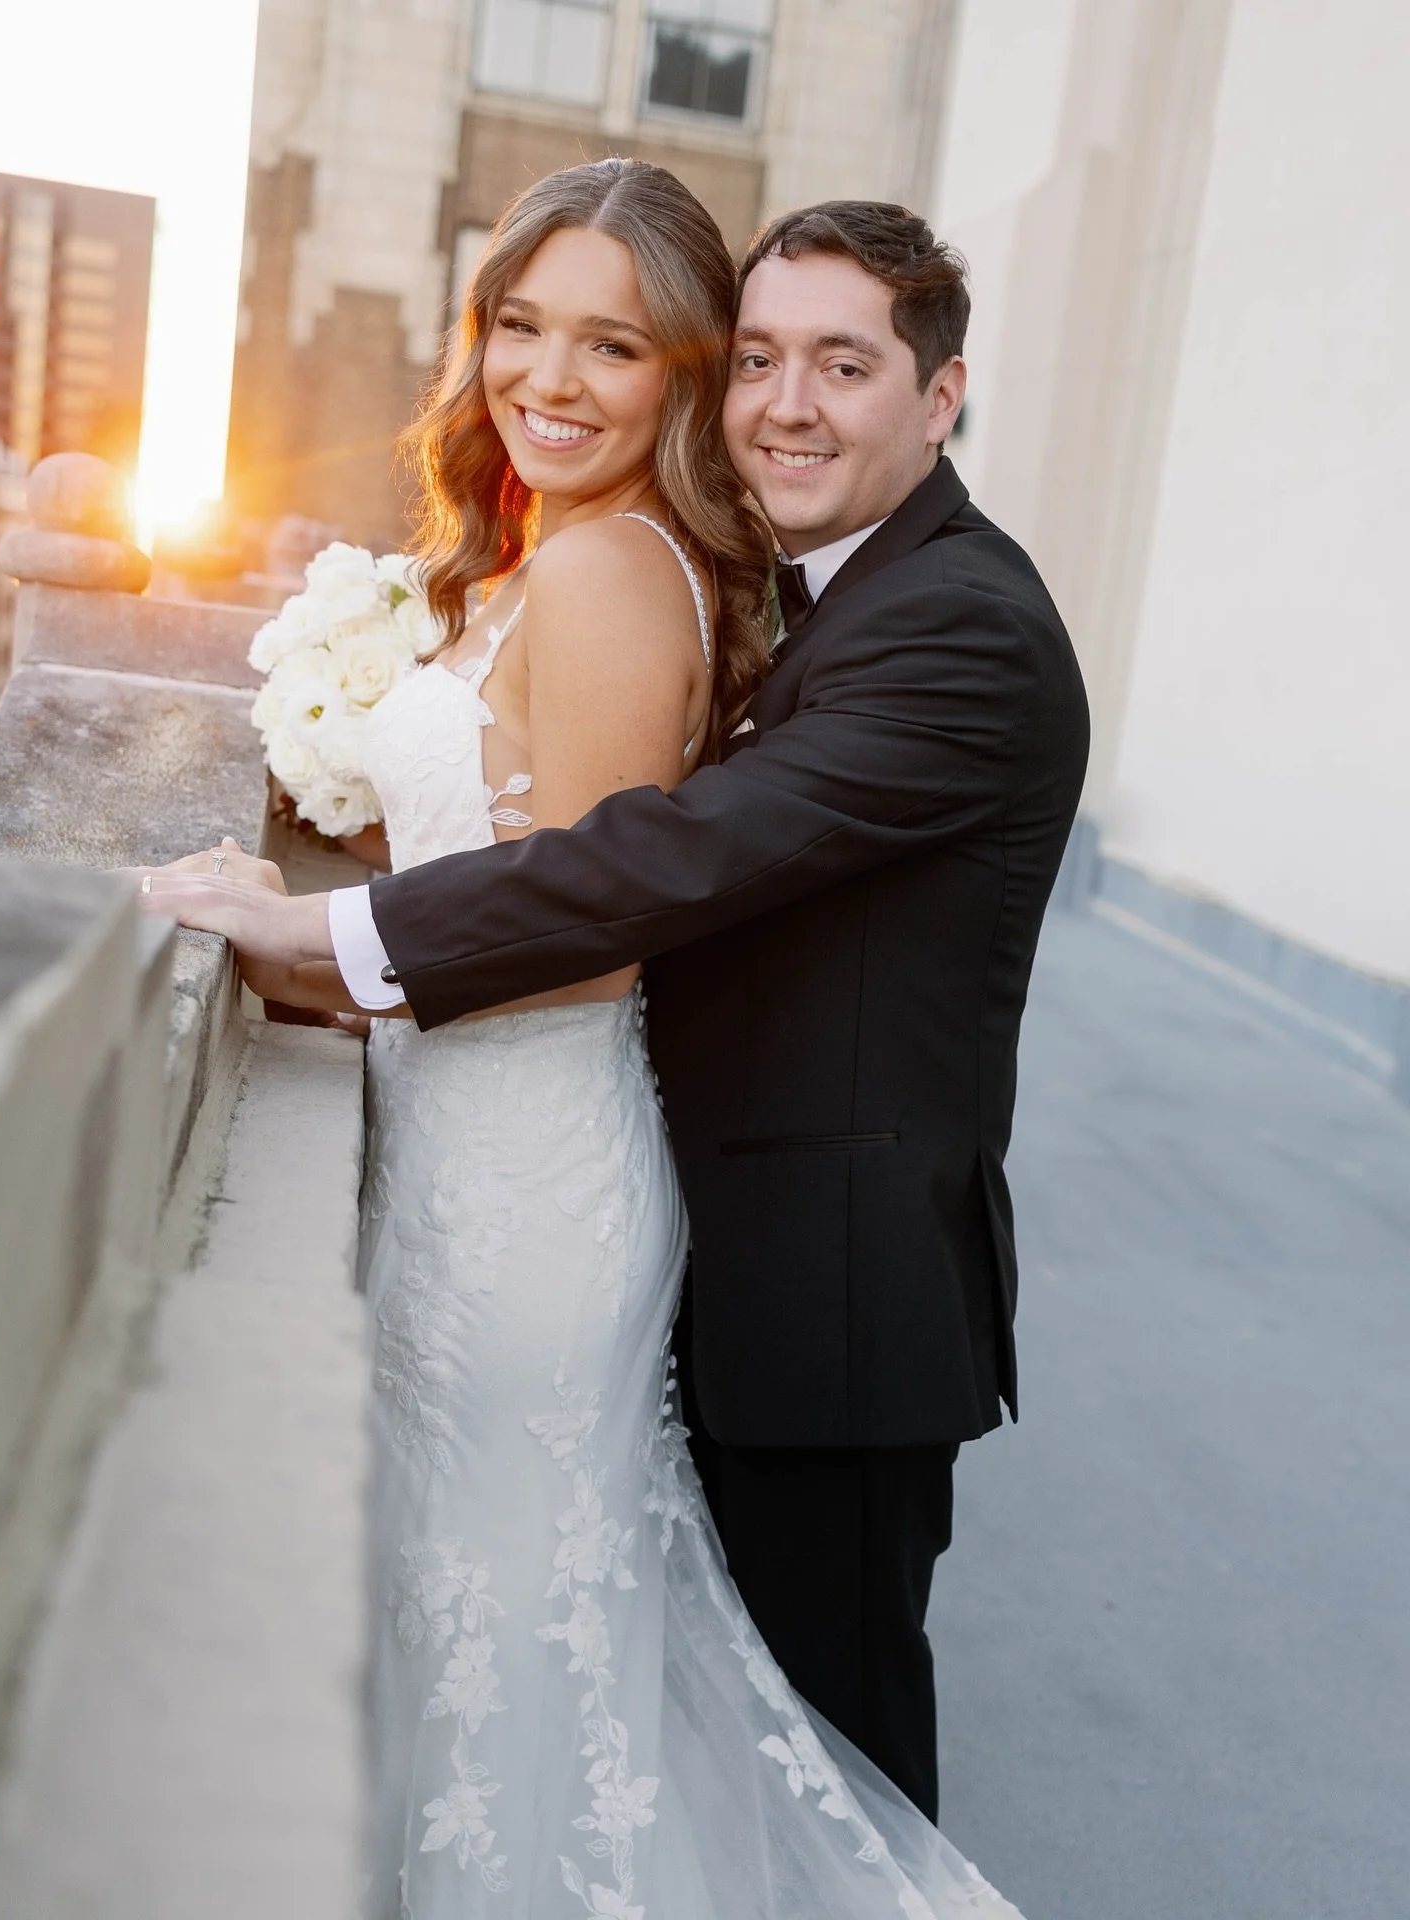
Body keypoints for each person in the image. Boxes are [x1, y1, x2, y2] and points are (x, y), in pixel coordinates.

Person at [143, 164, 1087, 1914]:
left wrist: (318, 941)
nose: (788, 405)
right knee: (630, 1708)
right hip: (641, 1209)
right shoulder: (802, 579)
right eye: (766, 361)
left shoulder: (964, 627)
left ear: (940, 393)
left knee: (821, 1766)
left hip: (828, 1292)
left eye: (848, 366)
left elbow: (652, 865)